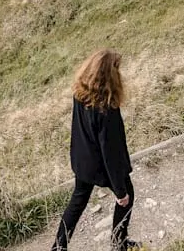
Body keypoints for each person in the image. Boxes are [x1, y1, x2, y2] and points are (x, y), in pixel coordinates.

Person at [52, 49, 142, 251]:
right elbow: (110, 152)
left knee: (77, 202)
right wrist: (119, 190)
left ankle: (58, 247)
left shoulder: (80, 93)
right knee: (128, 197)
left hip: (82, 160)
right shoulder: (107, 108)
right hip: (101, 164)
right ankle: (119, 244)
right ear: (109, 74)